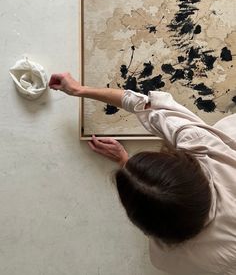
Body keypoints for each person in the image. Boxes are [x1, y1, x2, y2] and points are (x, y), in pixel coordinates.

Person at [49, 72, 236, 275]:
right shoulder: (202, 144)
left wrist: (126, 164)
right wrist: (80, 89)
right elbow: (145, 105)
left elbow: (143, 105)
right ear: (191, 165)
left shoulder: (171, 259)